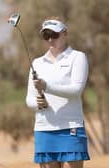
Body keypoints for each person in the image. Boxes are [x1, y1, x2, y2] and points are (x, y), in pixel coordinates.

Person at [26, 16, 90, 168]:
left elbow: (76, 90)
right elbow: (29, 98)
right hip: (44, 128)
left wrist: (46, 86)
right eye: (46, 36)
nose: (50, 40)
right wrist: (37, 104)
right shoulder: (37, 63)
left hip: (70, 126)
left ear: (64, 33)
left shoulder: (77, 57)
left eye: (54, 35)